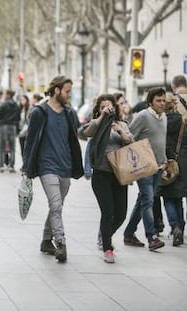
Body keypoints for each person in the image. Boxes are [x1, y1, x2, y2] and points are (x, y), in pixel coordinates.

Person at [21, 75, 84, 263]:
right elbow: (30, 141)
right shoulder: (39, 112)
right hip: (46, 166)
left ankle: (45, 240)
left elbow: (79, 134)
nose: (69, 95)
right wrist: (26, 168)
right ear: (56, 91)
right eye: (67, 91)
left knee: (56, 206)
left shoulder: (69, 113)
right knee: (56, 205)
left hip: (66, 166)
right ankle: (61, 243)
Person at [80, 94, 134, 263]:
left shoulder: (122, 124)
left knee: (121, 214)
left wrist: (121, 132)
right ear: (99, 109)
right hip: (101, 174)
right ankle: (107, 248)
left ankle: (105, 237)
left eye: (109, 106)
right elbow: (83, 132)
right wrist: (102, 117)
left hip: (120, 174)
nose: (107, 109)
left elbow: (131, 143)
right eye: (103, 106)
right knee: (108, 212)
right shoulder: (97, 124)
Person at [123, 87, 167, 251]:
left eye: (163, 100)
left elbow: (161, 142)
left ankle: (129, 233)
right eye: (158, 100)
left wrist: (164, 161)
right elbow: (129, 136)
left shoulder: (164, 118)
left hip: (159, 166)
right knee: (148, 199)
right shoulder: (142, 116)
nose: (162, 103)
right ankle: (152, 237)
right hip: (144, 166)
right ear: (150, 102)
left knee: (143, 200)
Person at [159, 94, 186, 246]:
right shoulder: (183, 121)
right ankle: (181, 227)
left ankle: (175, 227)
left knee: (168, 196)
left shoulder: (162, 121)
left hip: (168, 161)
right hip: (182, 161)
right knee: (178, 198)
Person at [0, 89, 20, 172]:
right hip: (13, 126)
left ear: (8, 95)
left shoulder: (4, 104)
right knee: (12, 147)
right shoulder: (16, 105)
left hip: (4, 125)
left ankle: (1, 165)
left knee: (2, 146)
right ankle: (11, 166)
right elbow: (18, 118)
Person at [18, 94, 30, 159]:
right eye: (21, 100)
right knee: (22, 148)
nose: (22, 101)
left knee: (26, 148)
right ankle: (24, 163)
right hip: (21, 131)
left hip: (26, 131)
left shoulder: (29, 109)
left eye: (23, 99)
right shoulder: (20, 109)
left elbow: (27, 122)